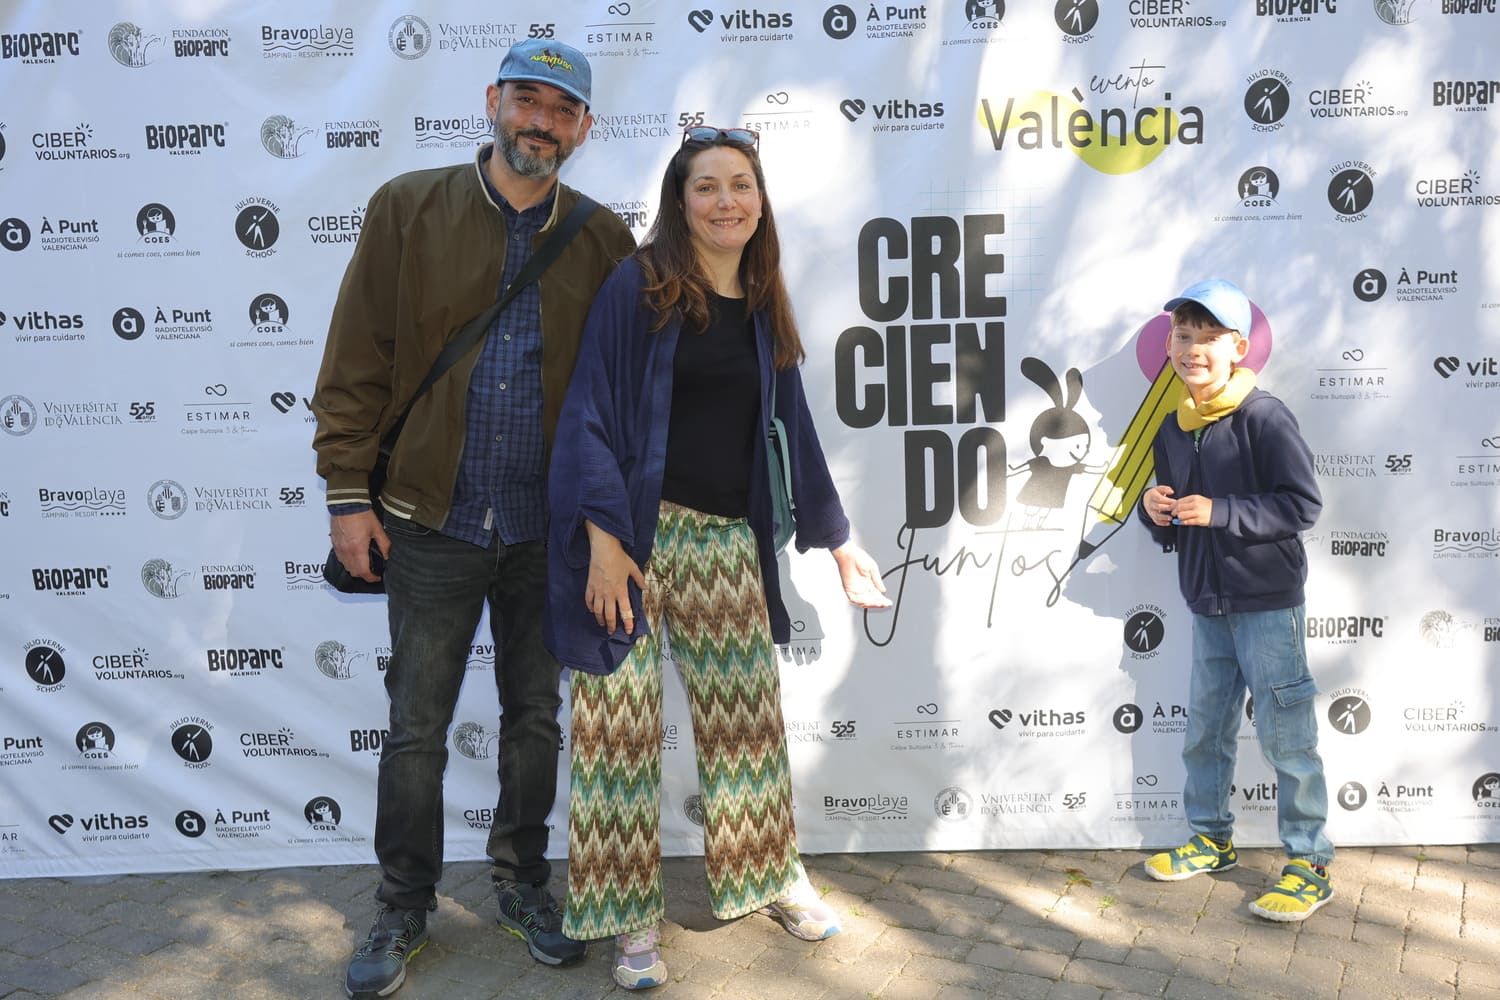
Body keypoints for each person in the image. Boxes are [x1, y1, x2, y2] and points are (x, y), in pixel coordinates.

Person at [310, 39, 635, 999]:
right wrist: (345, 495)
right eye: (527, 100)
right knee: (417, 724)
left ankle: (523, 884)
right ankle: (403, 903)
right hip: (429, 520)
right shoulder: (407, 207)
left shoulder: (603, 236)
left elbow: (620, 393)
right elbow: (355, 357)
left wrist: (613, 525)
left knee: (536, 718)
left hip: (550, 530)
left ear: (584, 128)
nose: (541, 121)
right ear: (493, 101)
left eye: (562, 109)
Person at [544, 126, 892, 990]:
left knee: (746, 729)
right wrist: (602, 542)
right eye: (707, 187)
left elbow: (793, 431)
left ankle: (772, 876)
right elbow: (587, 411)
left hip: (723, 541)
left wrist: (838, 539)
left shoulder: (767, 296)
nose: (726, 200)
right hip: (627, 542)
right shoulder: (639, 288)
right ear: (680, 200)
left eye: (742, 184)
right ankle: (629, 923)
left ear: (761, 200)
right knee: (613, 736)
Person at [1135, 278, 1334, 922]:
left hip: (1268, 600)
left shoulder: (1264, 415)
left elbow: (1301, 506)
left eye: (1208, 338)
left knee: (1287, 735)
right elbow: (1171, 512)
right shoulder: (1173, 425)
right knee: (1206, 730)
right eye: (1183, 337)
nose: (1192, 349)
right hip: (1206, 602)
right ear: (1170, 347)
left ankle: (1309, 861)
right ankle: (1211, 839)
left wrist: (1220, 511)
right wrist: (1153, 510)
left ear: (1238, 347)